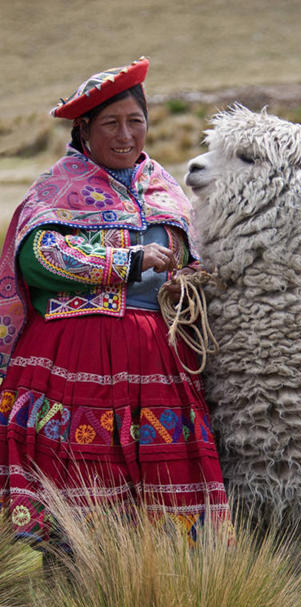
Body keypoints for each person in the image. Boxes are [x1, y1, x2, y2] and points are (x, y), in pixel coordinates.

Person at [0, 57, 230, 558]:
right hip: (76, 359)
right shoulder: (57, 190)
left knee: (158, 506)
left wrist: (188, 278)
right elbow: (38, 258)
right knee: (77, 506)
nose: (126, 135)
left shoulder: (164, 188)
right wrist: (126, 260)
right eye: (111, 123)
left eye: (136, 121)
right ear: (84, 129)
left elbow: (187, 257)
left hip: (156, 363)